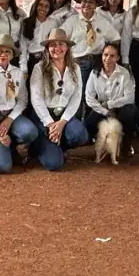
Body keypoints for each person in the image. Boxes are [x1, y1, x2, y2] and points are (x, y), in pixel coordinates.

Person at [0, 34, 39, 173]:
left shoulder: (17, 73)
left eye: (7, 51)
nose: (2, 54)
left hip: (9, 115)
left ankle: (10, 145)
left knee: (30, 132)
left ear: (11, 55)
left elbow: (22, 100)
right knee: (2, 167)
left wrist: (10, 119)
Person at [29, 28, 91, 170]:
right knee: (54, 164)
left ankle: (59, 143)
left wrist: (62, 122)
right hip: (44, 117)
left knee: (80, 135)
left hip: (64, 115)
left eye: (61, 44)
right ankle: (38, 145)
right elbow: (36, 99)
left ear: (67, 47)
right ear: (47, 49)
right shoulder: (39, 68)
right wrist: (51, 124)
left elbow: (76, 96)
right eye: (53, 45)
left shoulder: (75, 67)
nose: (57, 48)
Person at [61, 0, 121, 108]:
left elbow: (116, 38)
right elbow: (61, 39)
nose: (87, 4)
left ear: (96, 5)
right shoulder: (72, 21)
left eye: (91, 2)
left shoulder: (102, 22)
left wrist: (106, 53)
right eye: (84, 1)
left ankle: (90, 122)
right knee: (79, 93)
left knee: (95, 93)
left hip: (97, 61)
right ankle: (77, 122)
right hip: (78, 61)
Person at [84, 43, 138, 158]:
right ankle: (100, 144)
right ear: (102, 55)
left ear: (118, 58)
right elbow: (89, 99)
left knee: (130, 110)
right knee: (88, 123)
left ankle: (126, 145)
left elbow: (129, 97)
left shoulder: (124, 73)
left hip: (119, 110)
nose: (108, 59)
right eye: (106, 55)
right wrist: (106, 111)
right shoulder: (94, 73)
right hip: (101, 110)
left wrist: (110, 104)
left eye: (112, 56)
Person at [21, 0, 56, 76]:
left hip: (48, 61)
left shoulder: (53, 23)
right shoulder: (27, 23)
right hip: (32, 61)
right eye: (40, 5)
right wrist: (23, 67)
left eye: (46, 6)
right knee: (32, 87)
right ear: (36, 6)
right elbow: (23, 46)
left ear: (50, 8)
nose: (43, 8)